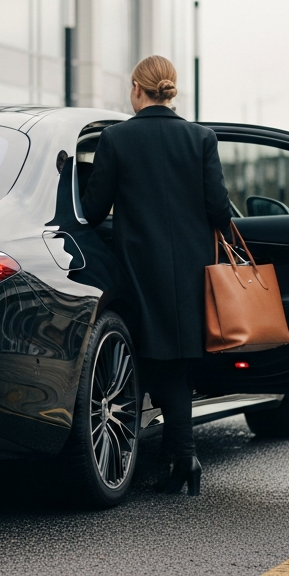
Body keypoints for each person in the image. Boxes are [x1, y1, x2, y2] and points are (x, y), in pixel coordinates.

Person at [79, 54, 235, 496]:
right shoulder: (200, 137)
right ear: (171, 89)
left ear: (136, 88)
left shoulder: (116, 139)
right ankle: (180, 456)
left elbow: (92, 211)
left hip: (136, 266)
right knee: (179, 361)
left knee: (146, 357)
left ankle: (173, 455)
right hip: (190, 267)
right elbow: (220, 210)